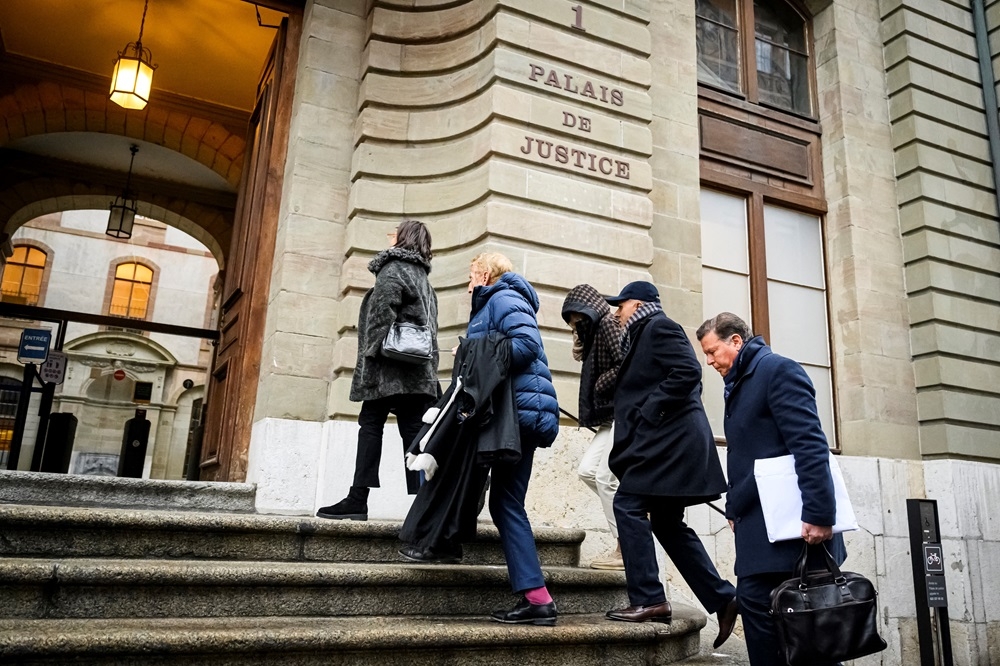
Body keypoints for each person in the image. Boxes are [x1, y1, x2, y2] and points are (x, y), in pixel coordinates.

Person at [697, 312, 847, 666]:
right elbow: (751, 455)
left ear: (736, 341)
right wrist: (735, 507)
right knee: (777, 627)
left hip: (797, 535)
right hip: (761, 533)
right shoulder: (742, 381)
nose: (708, 361)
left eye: (712, 351)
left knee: (809, 640)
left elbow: (810, 446)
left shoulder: (777, 371)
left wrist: (819, 514)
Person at [603, 281, 739, 652]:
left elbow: (688, 372)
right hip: (666, 442)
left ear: (639, 303)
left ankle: (649, 599)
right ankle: (723, 597)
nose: (617, 312)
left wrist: (649, 411)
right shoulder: (640, 335)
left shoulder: (659, 326)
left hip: (670, 443)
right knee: (665, 522)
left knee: (627, 505)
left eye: (621, 305)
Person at [316, 220, 439, 521]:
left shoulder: (393, 269)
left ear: (402, 238)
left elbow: (382, 315)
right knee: (413, 437)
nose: (390, 236)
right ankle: (427, 504)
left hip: (387, 370)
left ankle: (358, 499)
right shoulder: (424, 278)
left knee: (370, 426)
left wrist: (370, 353)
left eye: (394, 232)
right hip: (416, 372)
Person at [462, 252, 560, 626]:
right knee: (505, 503)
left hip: (515, 416)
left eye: (470, 275)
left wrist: (471, 352)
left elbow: (525, 345)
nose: (467, 283)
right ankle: (537, 598)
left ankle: (538, 599)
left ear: (484, 273)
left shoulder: (501, 297)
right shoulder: (501, 299)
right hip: (519, 413)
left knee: (502, 501)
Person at [561, 284, 624, 570]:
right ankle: (632, 516)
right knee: (587, 471)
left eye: (579, 318)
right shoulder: (592, 333)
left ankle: (626, 544)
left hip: (621, 412)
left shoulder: (609, 324)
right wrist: (578, 336)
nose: (577, 324)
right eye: (572, 319)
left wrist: (602, 383)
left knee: (606, 478)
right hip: (608, 419)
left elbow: (626, 362)